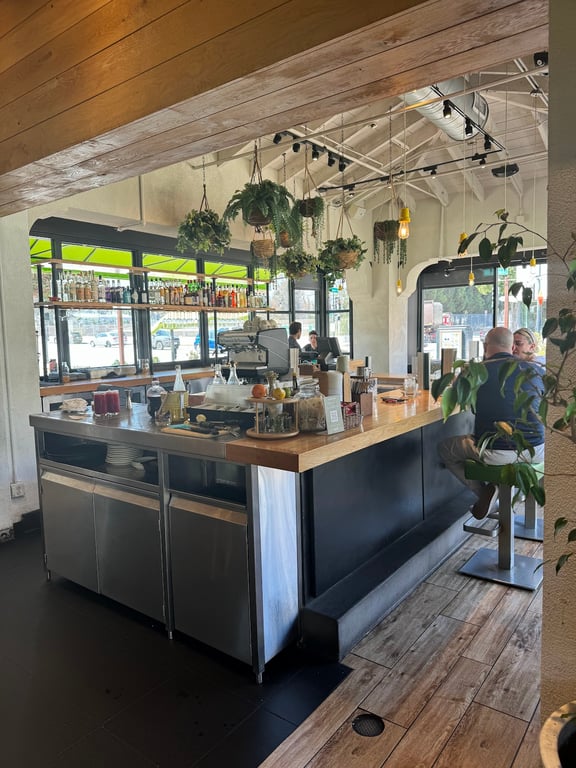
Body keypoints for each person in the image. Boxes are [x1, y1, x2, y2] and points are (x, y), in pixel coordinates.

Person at [438, 326, 545, 520]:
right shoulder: (536, 370)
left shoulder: (475, 372)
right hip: (537, 450)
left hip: (497, 452)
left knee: (446, 448)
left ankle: (486, 494)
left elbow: (456, 397)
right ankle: (502, 494)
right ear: (512, 347)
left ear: (485, 346)